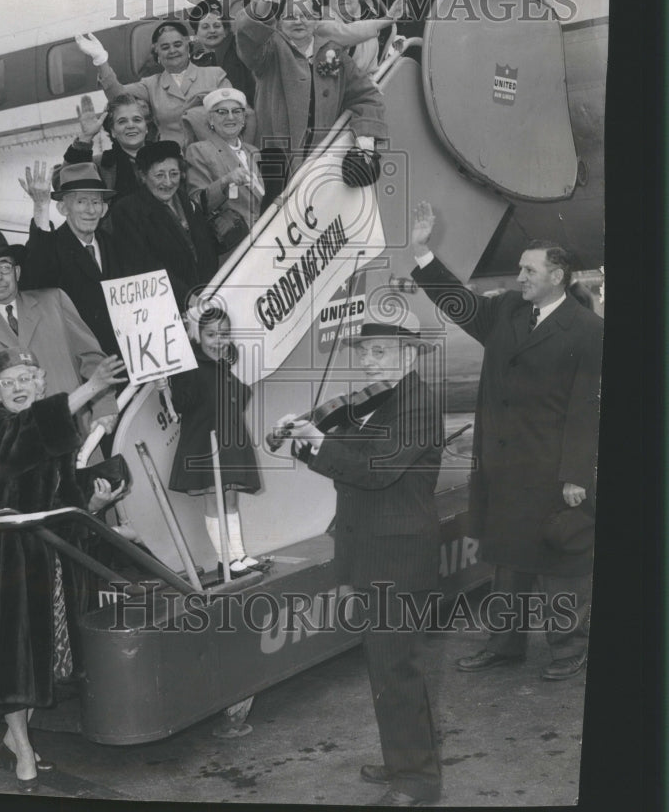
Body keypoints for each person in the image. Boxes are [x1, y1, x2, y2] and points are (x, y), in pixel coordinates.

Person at [410, 201, 602, 681]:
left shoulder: (589, 330)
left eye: (529, 270)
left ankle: (568, 649)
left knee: (561, 560)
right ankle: (504, 645)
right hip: (503, 465)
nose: (519, 277)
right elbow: (463, 306)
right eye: (519, 269)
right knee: (507, 561)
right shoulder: (507, 311)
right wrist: (422, 255)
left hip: (553, 467)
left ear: (557, 276)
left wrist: (576, 474)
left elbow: (587, 408)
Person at [272, 312, 443, 807]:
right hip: (372, 546)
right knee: (385, 664)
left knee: (397, 668)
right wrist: (304, 442)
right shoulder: (377, 403)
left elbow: (375, 471)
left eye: (379, 352)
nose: (367, 362)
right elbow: (345, 462)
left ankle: (416, 781)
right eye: (364, 352)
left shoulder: (418, 404)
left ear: (409, 354)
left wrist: (321, 440)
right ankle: (402, 759)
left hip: (398, 553)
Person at [0, 347, 126, 791]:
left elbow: (58, 493)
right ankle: (21, 747)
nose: (18, 388)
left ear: (40, 382)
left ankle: (13, 734)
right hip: (9, 557)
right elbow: (14, 453)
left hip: (49, 555)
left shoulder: (54, 426)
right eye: (8, 382)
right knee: (15, 658)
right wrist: (91, 389)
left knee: (41, 656)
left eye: (26, 378)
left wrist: (92, 501)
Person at [0, 229, 119, 430]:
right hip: (10, 450)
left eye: (4, 266)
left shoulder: (55, 301)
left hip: (75, 437)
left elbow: (93, 359)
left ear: (17, 272)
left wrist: (104, 406)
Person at [235, 0, 388, 200]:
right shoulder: (269, 50)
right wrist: (265, 3)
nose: (298, 20)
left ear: (317, 20)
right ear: (278, 22)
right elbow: (248, 39)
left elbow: (366, 95)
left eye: (306, 15)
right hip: (276, 156)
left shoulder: (334, 52)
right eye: (290, 16)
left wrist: (365, 139)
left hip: (320, 157)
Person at [169, 307, 264, 577]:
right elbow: (181, 404)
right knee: (214, 500)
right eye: (211, 334)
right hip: (204, 443)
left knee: (231, 500)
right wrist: (165, 390)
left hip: (229, 442)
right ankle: (226, 559)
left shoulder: (223, 365)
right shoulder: (189, 366)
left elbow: (238, 397)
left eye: (224, 334)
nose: (218, 340)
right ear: (198, 336)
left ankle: (238, 554)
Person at [18, 161, 121, 355]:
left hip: (123, 357)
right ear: (63, 209)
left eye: (96, 202)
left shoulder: (115, 245)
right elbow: (33, 281)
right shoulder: (51, 247)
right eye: (81, 202)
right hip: (79, 361)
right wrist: (41, 207)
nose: (90, 210)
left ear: (104, 209)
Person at [74, 22, 229, 150]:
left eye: (177, 44)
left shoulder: (215, 75)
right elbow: (118, 97)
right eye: (165, 47)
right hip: (175, 163)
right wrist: (101, 60)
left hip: (218, 154)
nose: (172, 51)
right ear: (157, 53)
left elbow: (241, 113)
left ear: (188, 46)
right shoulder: (151, 84)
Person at [111, 140, 219, 311]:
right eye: (159, 175)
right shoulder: (127, 211)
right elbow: (145, 266)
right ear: (143, 176)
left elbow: (206, 251)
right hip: (168, 307)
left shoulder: (187, 202)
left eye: (174, 174)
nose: (168, 182)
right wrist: (188, 299)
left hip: (206, 299)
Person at [184, 87, 265, 263]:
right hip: (232, 250)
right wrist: (225, 182)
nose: (230, 117)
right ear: (210, 119)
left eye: (236, 111)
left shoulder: (254, 152)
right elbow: (196, 203)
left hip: (264, 243)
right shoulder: (199, 150)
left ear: (244, 118)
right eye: (221, 112)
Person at [59, 92, 152, 208]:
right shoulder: (101, 165)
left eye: (137, 120)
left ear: (146, 127)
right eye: (122, 121)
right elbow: (63, 185)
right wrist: (85, 138)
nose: (130, 125)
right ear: (112, 131)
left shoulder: (167, 157)